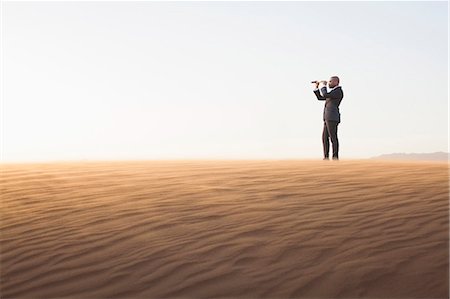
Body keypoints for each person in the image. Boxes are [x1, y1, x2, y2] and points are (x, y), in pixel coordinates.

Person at [313, 76, 344, 160]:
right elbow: (320, 97)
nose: (329, 83)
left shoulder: (338, 91)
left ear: (336, 82)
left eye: (330, 81)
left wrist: (323, 85)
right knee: (324, 137)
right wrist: (316, 87)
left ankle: (335, 157)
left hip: (332, 117)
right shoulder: (333, 92)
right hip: (327, 117)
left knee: (333, 137)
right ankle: (326, 157)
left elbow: (325, 94)